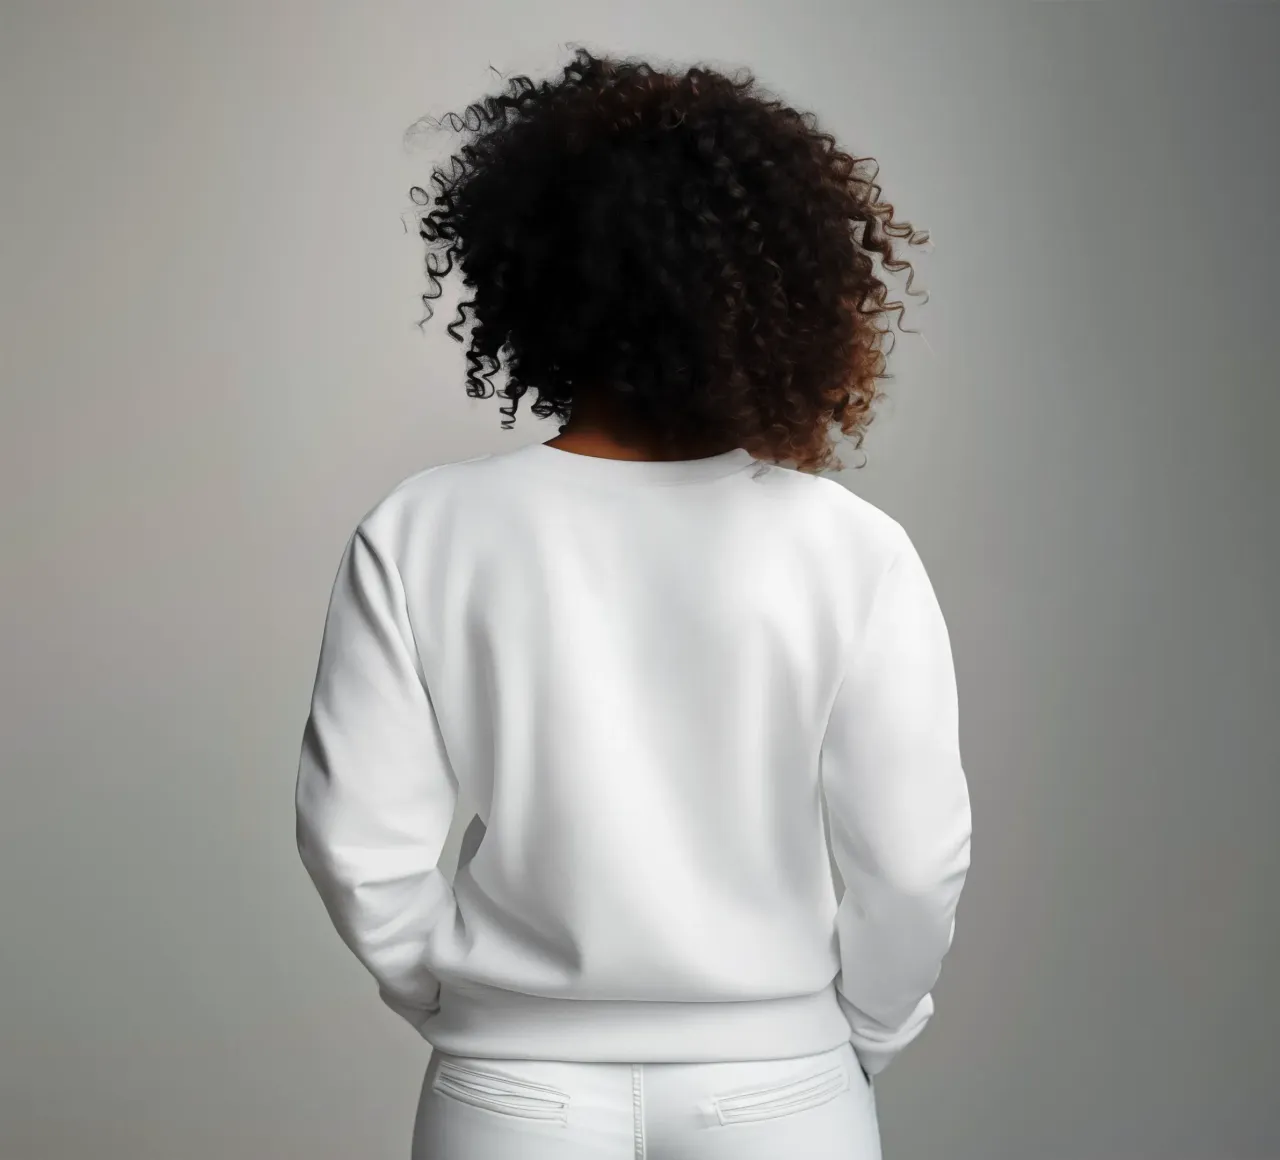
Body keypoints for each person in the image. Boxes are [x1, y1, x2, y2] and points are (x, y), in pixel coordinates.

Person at [295, 48, 972, 1160]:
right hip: (780, 1088)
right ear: (783, 294)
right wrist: (859, 1032)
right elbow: (911, 857)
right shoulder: (852, 550)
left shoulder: (423, 529)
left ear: (532, 276)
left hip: (508, 1092)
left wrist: (468, 1010)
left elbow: (354, 841)